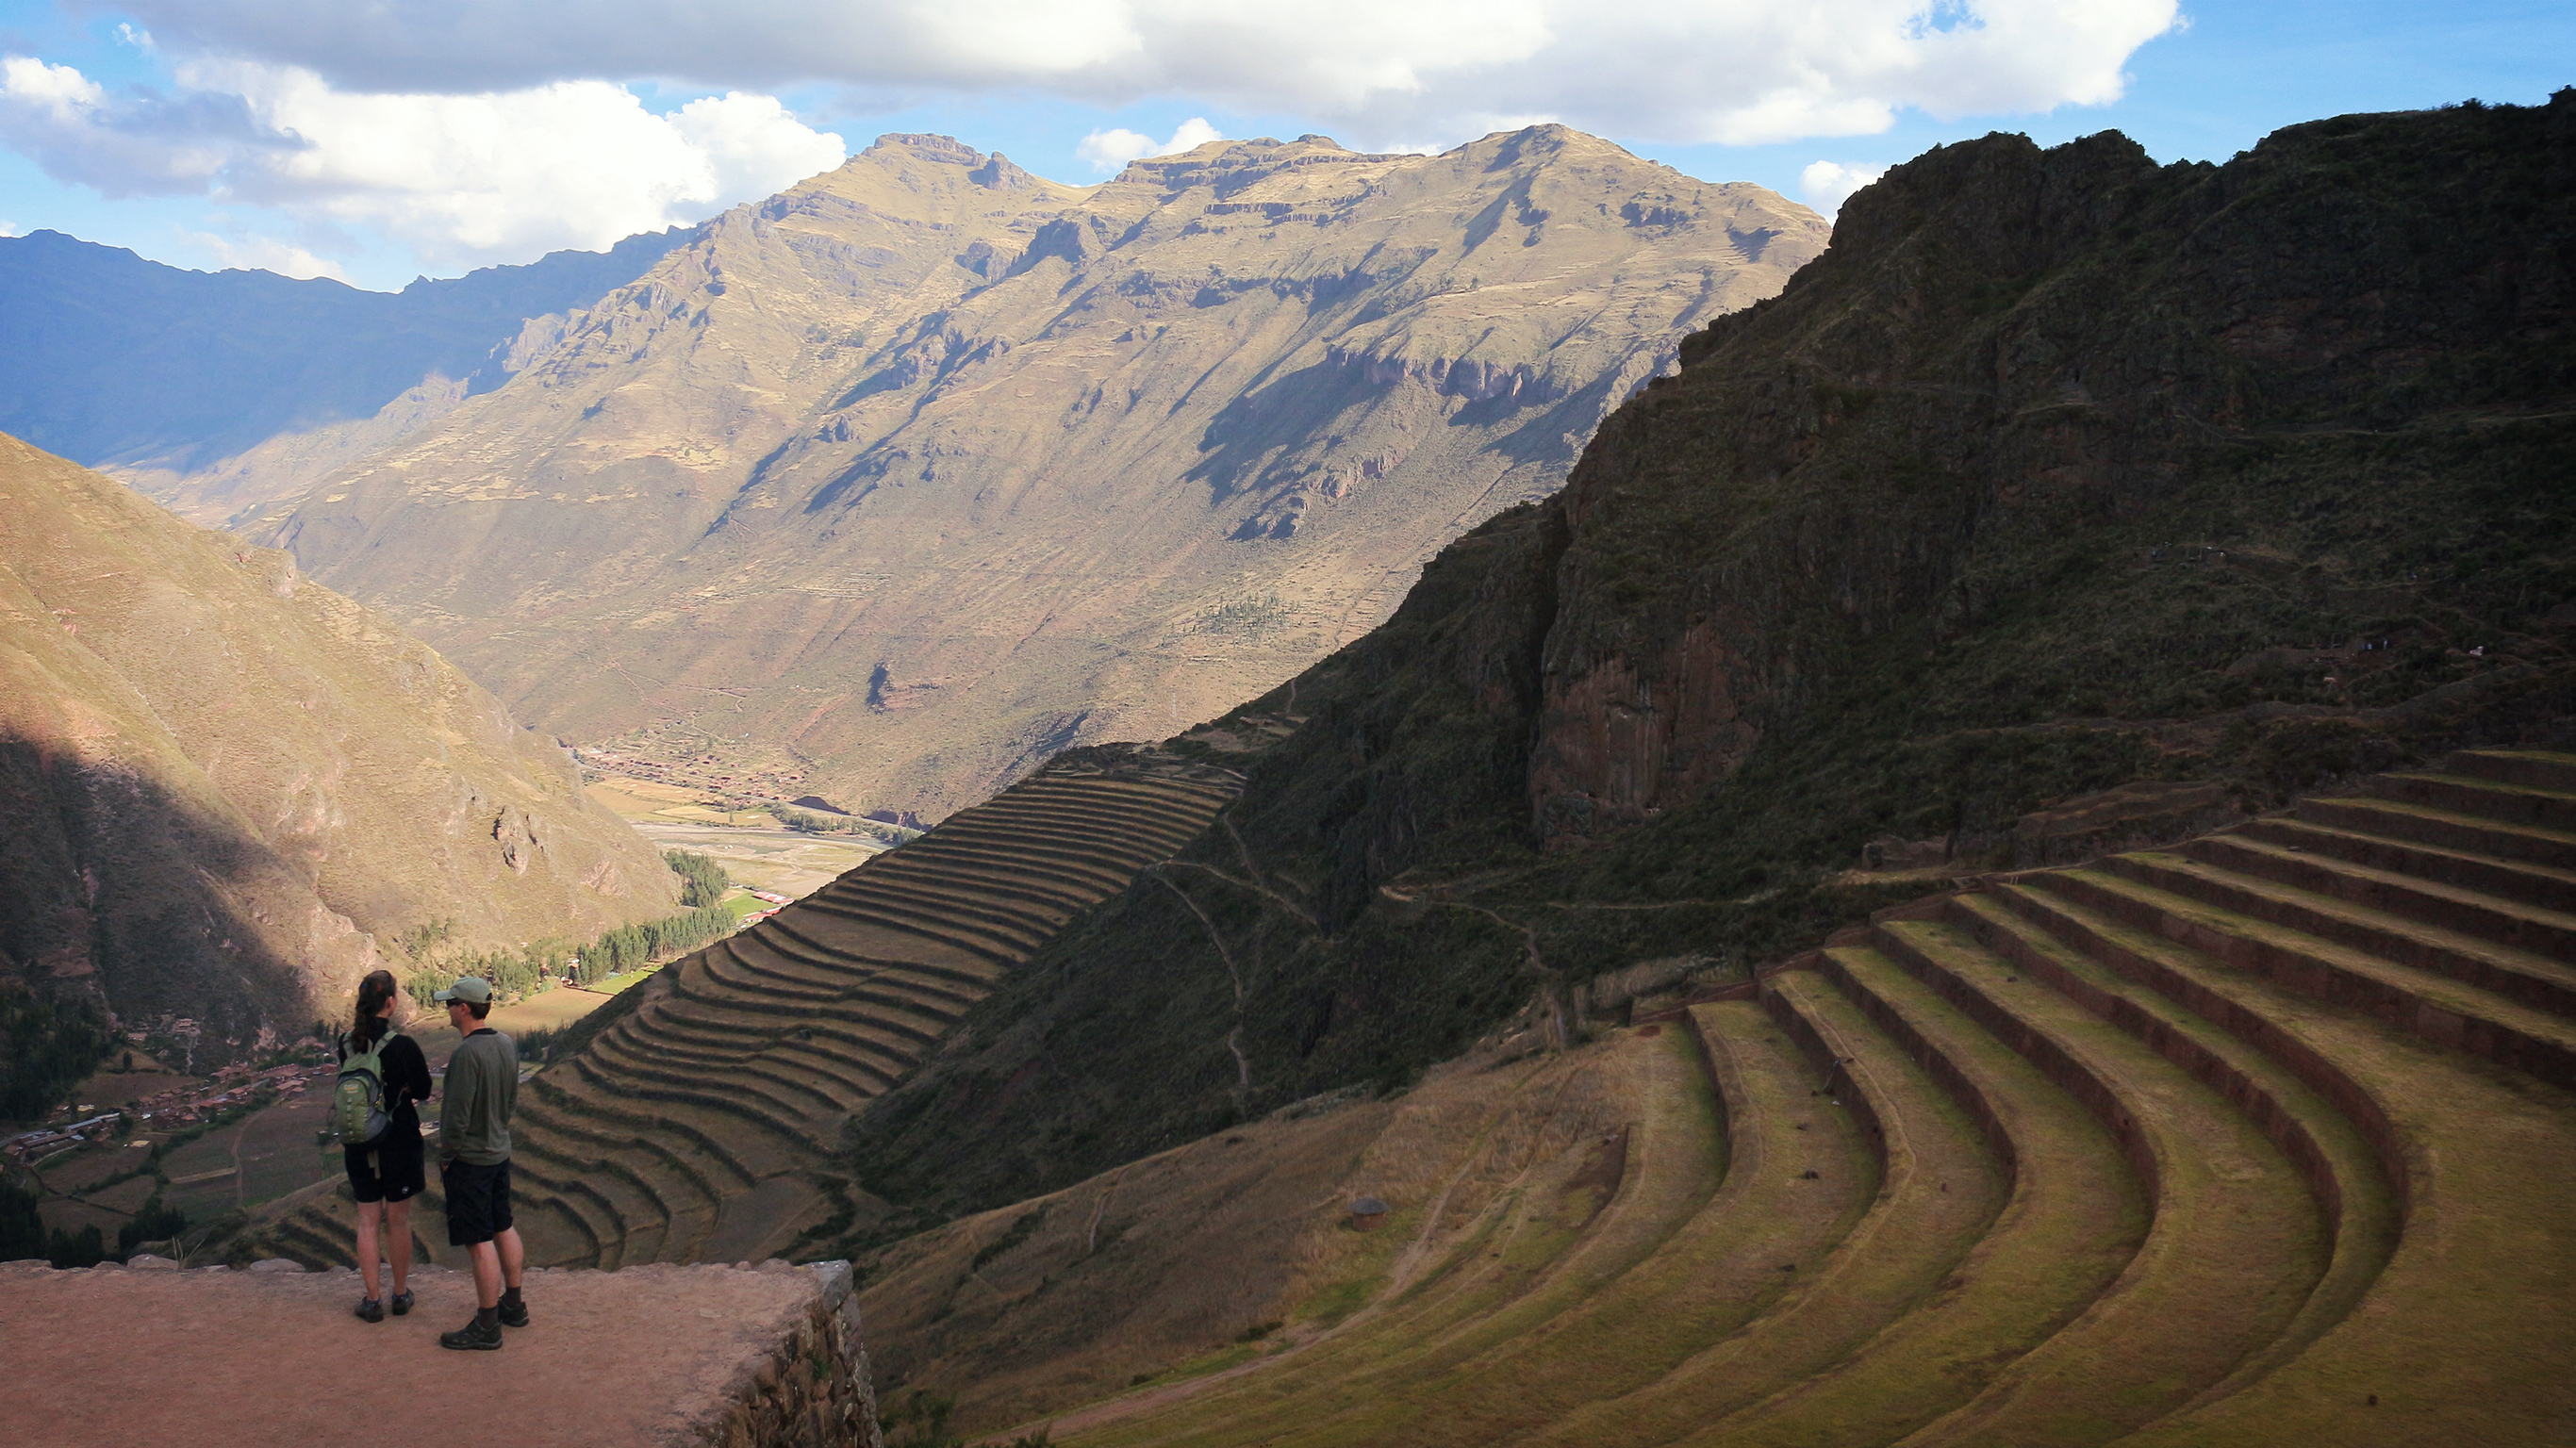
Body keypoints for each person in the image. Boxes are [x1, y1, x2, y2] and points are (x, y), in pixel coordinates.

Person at [432, 976, 528, 1350]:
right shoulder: (506, 1043)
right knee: (503, 1224)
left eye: (450, 1003)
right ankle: (514, 1305)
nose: (447, 1009)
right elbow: (511, 1100)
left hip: (471, 1159)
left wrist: (446, 1157)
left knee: (478, 1240)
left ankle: (487, 1324)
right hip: (499, 1151)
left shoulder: (466, 1054)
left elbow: (455, 1118)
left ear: (464, 1008)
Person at [341, 969, 433, 1324]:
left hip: (360, 1142)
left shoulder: (345, 1043)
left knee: (367, 1222)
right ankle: (399, 1294)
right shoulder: (403, 1045)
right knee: (398, 1221)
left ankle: (371, 1300)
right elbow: (423, 1090)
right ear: (391, 1002)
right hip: (399, 1141)